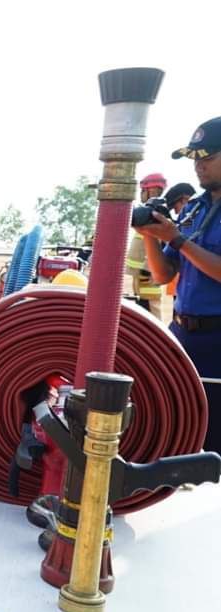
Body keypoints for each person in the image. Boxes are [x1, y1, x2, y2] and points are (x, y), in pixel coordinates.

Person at [141, 117, 221, 454]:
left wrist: (177, 240)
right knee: (175, 426)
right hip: (181, 332)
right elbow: (162, 275)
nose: (198, 167)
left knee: (212, 435)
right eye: (195, 159)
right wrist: (149, 236)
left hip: (217, 340)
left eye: (207, 158)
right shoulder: (195, 207)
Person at [126, 173, 167, 317]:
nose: (141, 194)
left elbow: (160, 242)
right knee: (142, 311)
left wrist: (148, 269)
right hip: (141, 274)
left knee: (151, 314)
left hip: (148, 275)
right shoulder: (146, 212)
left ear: (153, 190)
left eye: (143, 190)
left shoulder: (157, 213)